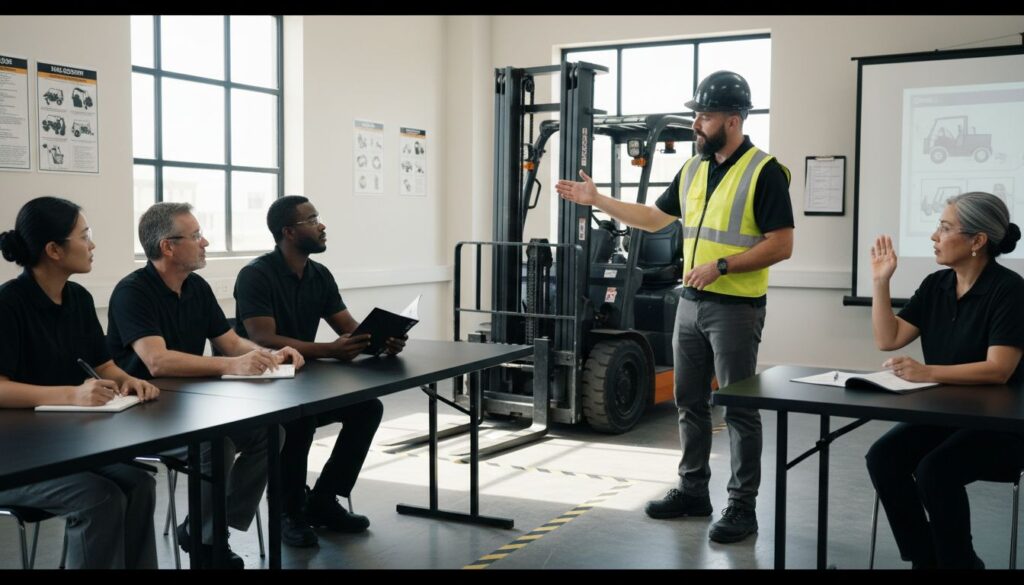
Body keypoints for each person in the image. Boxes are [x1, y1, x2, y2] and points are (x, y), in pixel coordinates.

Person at [555, 70, 794, 543]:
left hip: (735, 308)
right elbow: (652, 217)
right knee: (689, 403)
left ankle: (742, 509)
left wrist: (721, 266)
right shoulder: (693, 169)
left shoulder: (764, 171)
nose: (696, 124)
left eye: (704, 116)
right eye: (695, 115)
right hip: (690, 303)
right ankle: (693, 491)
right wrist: (597, 198)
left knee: (739, 410)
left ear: (733, 118)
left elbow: (782, 245)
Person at [105, 202, 304, 568]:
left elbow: (230, 342)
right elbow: (157, 360)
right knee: (218, 446)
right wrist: (233, 364)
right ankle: (206, 539)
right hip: (141, 411)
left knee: (270, 434)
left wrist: (270, 354)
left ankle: (203, 528)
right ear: (167, 246)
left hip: (190, 407)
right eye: (196, 236)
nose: (205, 242)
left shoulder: (196, 286)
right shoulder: (132, 291)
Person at [233, 195, 406, 547]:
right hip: (261, 384)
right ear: (289, 232)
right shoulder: (255, 275)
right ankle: (288, 511)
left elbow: (349, 327)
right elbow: (262, 337)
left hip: (303, 381)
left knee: (367, 408)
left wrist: (379, 340)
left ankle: (323, 500)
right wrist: (329, 349)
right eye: (312, 220)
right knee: (299, 421)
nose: (322, 225)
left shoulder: (319, 275)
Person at [866, 191, 1024, 569]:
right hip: (947, 416)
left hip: (1003, 426)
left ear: (978, 241)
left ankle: (961, 563)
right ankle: (927, 559)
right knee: (883, 457)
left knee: (935, 471)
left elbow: (998, 368)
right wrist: (880, 283)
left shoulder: (1010, 290)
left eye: (945, 227)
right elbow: (888, 339)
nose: (935, 236)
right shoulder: (937, 284)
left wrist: (927, 372)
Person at [0, 196, 160, 569]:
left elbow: (103, 364)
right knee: (100, 498)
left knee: (140, 484)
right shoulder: (8, 304)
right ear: (54, 249)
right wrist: (73, 393)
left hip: (66, 446)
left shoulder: (79, 298)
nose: (92, 245)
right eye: (84, 236)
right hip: (16, 456)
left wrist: (129, 380)